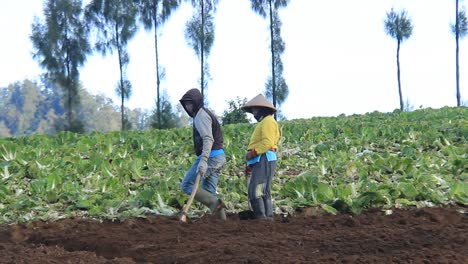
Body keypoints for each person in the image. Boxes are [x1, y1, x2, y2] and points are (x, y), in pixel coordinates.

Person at [179, 88, 226, 220]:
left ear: (196, 102)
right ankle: (222, 221)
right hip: (219, 157)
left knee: (187, 184)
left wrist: (204, 160)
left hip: (211, 157)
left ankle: (215, 204)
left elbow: (208, 138)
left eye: (190, 104)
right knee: (209, 191)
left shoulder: (201, 115)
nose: (188, 107)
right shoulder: (204, 113)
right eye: (186, 104)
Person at [241, 94, 279, 220]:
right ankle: (267, 217)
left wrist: (252, 153)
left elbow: (267, 143)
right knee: (263, 190)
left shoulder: (268, 122)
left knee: (255, 190)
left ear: (262, 109)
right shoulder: (265, 122)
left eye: (255, 110)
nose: (253, 113)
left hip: (265, 158)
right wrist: (251, 163)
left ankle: (261, 218)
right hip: (263, 159)